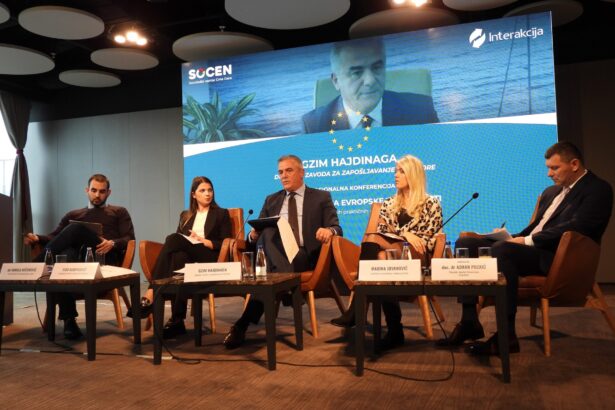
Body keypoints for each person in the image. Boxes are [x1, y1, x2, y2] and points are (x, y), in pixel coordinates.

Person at [438, 141, 613, 355]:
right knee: (466, 243)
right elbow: (535, 228)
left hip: (558, 258)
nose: (549, 173)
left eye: (555, 168)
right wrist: (508, 237)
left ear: (574, 164)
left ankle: (506, 335)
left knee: (503, 251)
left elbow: (579, 227)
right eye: (548, 168)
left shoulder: (597, 189)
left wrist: (526, 241)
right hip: (533, 248)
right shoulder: (551, 192)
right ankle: (469, 322)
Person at [223, 154, 343, 348]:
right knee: (268, 232)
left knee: (268, 272)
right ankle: (287, 287)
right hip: (275, 257)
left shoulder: (321, 197)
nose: (284, 176)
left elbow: (337, 227)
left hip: (304, 255)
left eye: (289, 170)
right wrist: (252, 235)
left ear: (302, 172)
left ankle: (242, 325)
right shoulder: (272, 199)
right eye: (280, 172)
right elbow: (257, 235)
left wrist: (328, 231)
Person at [329, 155, 443, 350]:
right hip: (390, 255)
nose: (396, 175)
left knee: (373, 244)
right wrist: (405, 234)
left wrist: (405, 237)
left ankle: (359, 310)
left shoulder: (431, 203)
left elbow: (430, 237)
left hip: (416, 256)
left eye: (401, 171)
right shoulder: (389, 203)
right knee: (380, 257)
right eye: (395, 171)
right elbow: (382, 231)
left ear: (413, 174)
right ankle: (394, 330)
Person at [24, 174, 135, 340]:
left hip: (104, 258)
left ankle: (36, 265)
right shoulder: (74, 214)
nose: (97, 195)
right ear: (87, 190)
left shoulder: (119, 212)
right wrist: (38, 238)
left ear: (108, 192)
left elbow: (129, 238)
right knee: (63, 259)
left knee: (75, 230)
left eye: (102, 191)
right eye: (94, 190)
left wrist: (112, 243)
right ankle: (69, 321)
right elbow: (55, 237)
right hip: (77, 261)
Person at [135, 176, 231, 339]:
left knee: (173, 238)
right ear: (193, 194)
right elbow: (179, 243)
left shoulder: (221, 214)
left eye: (210, 190)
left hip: (209, 256)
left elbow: (224, 242)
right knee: (179, 255)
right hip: (188, 258)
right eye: (202, 190)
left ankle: (151, 291)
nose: (207, 194)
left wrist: (203, 241)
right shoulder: (185, 216)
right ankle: (177, 321)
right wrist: (190, 241)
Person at [302, 38, 439, 134]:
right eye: (356, 73)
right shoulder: (313, 126)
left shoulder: (422, 109)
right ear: (336, 81)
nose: (370, 81)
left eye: (377, 68)